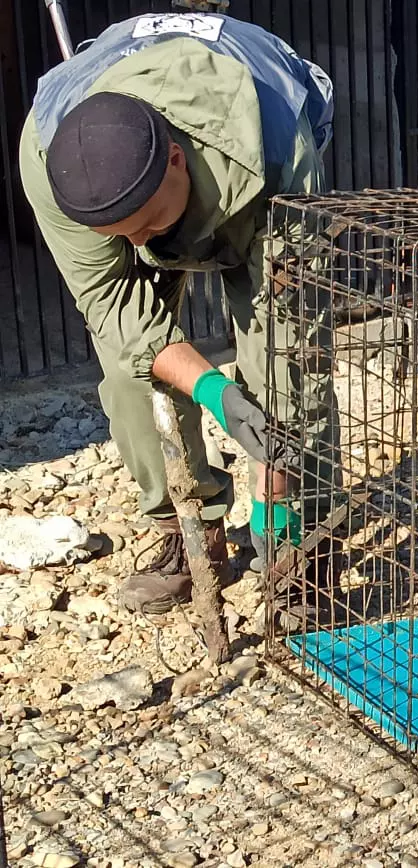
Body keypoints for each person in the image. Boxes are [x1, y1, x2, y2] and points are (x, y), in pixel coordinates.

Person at [19, 12, 341, 616]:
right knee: (128, 371)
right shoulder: (46, 159)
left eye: (145, 223)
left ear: (172, 158)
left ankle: (301, 540)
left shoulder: (275, 150)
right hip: (151, 169)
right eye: (121, 233)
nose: (139, 243)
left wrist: (274, 472)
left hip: (251, 176)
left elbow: (287, 329)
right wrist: (215, 390)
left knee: (288, 370)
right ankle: (190, 531)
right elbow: (116, 309)